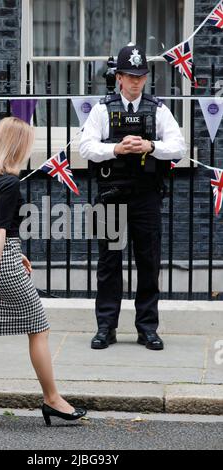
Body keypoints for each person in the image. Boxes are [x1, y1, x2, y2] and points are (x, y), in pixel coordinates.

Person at [0, 117, 86, 430]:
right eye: (26, 143)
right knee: (39, 327)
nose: (29, 148)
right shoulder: (9, 183)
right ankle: (52, 399)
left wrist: (14, 253)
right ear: (16, 145)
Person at [79, 44, 186, 351]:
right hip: (111, 195)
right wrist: (116, 149)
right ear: (119, 78)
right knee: (109, 263)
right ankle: (106, 327)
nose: (136, 81)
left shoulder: (158, 109)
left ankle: (147, 328)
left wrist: (150, 146)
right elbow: (86, 148)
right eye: (130, 75)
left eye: (141, 75)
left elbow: (178, 146)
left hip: (147, 196)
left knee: (148, 262)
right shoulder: (102, 109)